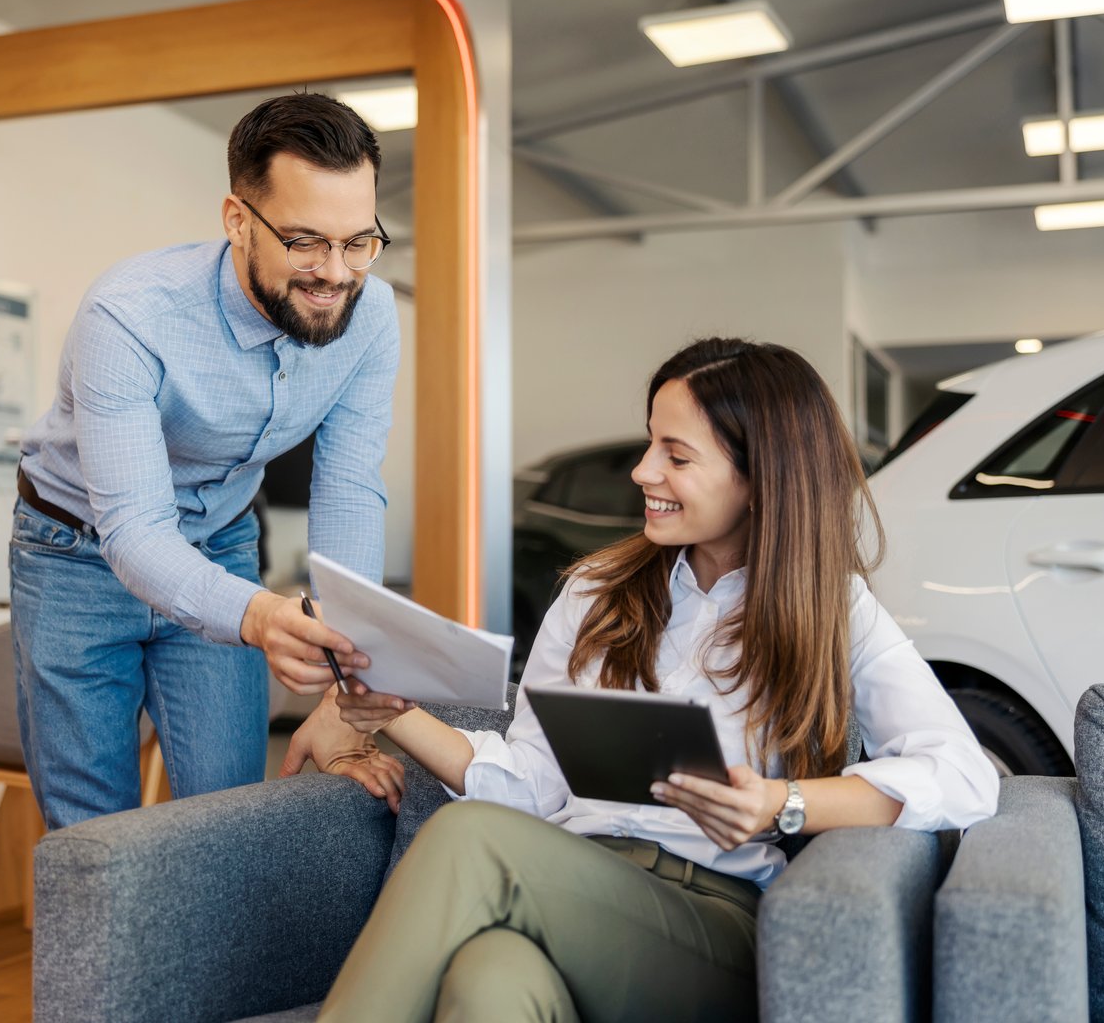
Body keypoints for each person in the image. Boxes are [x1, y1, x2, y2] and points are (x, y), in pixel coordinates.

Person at [319, 337, 1000, 1022]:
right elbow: (530, 782)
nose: (644, 471)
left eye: (676, 456)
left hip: (713, 921)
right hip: (572, 882)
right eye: (651, 445)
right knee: (489, 979)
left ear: (761, 479)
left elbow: (964, 778)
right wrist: (392, 714)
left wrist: (781, 802)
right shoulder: (593, 591)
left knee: (468, 837)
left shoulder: (834, 610)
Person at [11, 92, 404, 831]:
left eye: (358, 242)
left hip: (219, 543)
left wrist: (344, 686)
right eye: (305, 242)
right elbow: (132, 529)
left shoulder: (370, 317)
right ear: (236, 221)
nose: (335, 273)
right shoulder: (129, 316)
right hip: (76, 548)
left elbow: (349, 487)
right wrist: (259, 617)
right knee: (92, 833)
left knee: (228, 817)